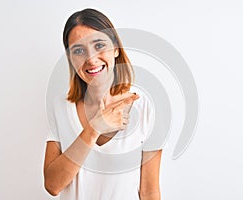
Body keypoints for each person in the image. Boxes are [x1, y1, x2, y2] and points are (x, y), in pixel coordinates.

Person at [43, 8, 163, 200]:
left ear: (115, 48)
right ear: (70, 59)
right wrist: (94, 128)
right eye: (79, 51)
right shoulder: (60, 107)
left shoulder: (145, 107)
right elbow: (52, 185)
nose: (91, 59)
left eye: (99, 45)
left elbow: (149, 192)